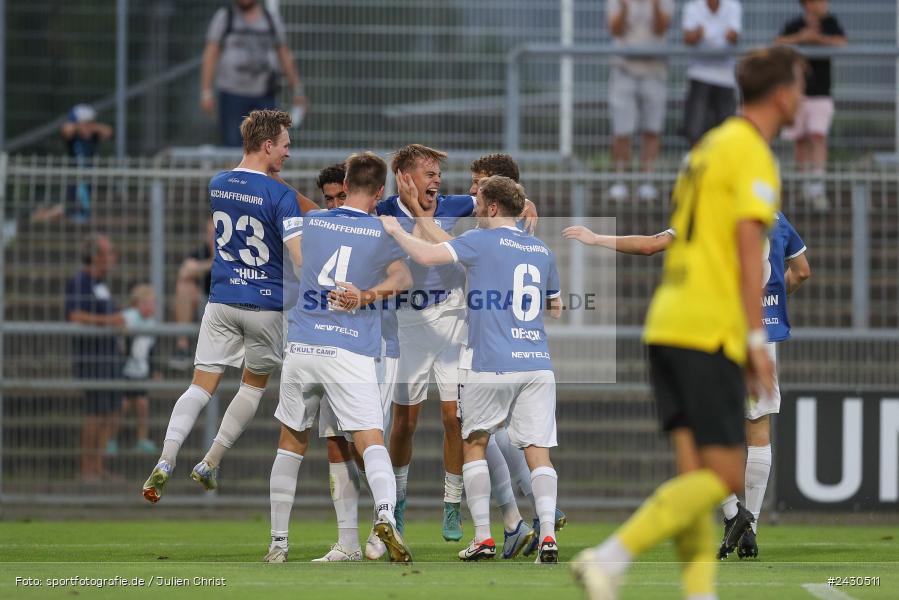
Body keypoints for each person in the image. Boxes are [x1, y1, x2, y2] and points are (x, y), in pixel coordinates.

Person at [572, 46, 806, 599]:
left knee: (695, 478)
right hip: (709, 327)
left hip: (668, 321)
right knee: (724, 477)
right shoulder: (752, 153)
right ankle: (610, 557)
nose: (804, 95)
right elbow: (750, 253)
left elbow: (684, 237)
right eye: (801, 84)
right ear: (782, 94)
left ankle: (699, 592)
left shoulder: (706, 150)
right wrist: (755, 338)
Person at [563, 213, 812, 559]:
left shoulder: (712, 208)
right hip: (762, 336)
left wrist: (597, 238)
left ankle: (733, 513)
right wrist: (772, 303)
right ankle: (750, 529)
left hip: (718, 333)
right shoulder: (774, 216)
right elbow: (801, 271)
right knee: (758, 430)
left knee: (695, 432)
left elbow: (651, 246)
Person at [381, 175, 563, 563]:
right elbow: (556, 307)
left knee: (474, 443)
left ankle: (483, 536)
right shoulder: (542, 249)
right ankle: (548, 534)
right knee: (538, 453)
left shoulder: (481, 240)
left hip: (491, 362)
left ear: (493, 207)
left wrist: (396, 229)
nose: (475, 209)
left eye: (479, 203)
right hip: (537, 365)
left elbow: (427, 256)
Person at [142, 109, 303, 503]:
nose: (288, 153)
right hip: (264, 305)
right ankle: (210, 461)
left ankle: (166, 458)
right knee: (252, 386)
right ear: (268, 145)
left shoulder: (218, 183)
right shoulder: (281, 195)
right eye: (284, 146)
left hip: (222, 301)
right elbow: (299, 258)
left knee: (200, 386)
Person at [267, 151, 413, 563]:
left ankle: (278, 543)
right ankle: (385, 516)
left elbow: (297, 231)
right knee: (370, 440)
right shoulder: (382, 231)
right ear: (380, 192)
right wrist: (365, 296)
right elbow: (403, 277)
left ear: (344, 186)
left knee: (290, 443)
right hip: (350, 349)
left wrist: (272, 174)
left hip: (303, 345)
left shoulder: (314, 222)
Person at [201, 0, 308, 147]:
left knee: (266, 147)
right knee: (232, 147)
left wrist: (297, 90)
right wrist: (206, 92)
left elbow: (285, 55)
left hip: (264, 96)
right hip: (231, 95)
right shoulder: (225, 17)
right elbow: (211, 54)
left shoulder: (270, 19)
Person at [65, 234, 125, 481]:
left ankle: (98, 466)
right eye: (109, 252)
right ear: (95, 256)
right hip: (92, 358)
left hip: (108, 357)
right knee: (95, 413)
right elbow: (75, 315)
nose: (113, 257)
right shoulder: (81, 281)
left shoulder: (100, 284)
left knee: (108, 413)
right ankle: (87, 469)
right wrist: (110, 321)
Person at [776, 0, 847, 209]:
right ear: (807, 4)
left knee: (818, 136)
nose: (824, 4)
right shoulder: (795, 24)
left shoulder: (830, 23)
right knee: (800, 140)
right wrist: (801, 38)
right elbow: (778, 43)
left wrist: (818, 39)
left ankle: (817, 188)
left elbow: (842, 42)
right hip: (797, 93)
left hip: (821, 93)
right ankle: (804, 186)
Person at [605, 0, 674, 202]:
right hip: (624, 69)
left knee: (652, 128)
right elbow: (615, 29)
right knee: (622, 130)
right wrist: (625, 7)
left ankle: (647, 181)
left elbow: (661, 28)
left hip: (654, 70)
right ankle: (620, 181)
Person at [29, 105, 113, 225]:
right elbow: (66, 130)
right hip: (76, 176)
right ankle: (45, 215)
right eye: (87, 123)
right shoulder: (74, 136)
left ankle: (47, 214)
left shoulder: (93, 135)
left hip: (88, 176)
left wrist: (91, 127)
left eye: (91, 122)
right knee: (75, 208)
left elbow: (108, 131)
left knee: (76, 208)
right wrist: (81, 126)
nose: (89, 126)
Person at [681, 0, 742, 146]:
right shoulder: (693, 7)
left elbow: (734, 36)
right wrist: (701, 35)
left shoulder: (733, 6)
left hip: (725, 77)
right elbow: (688, 38)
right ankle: (697, 159)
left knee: (727, 130)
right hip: (699, 74)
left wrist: (702, 34)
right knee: (695, 130)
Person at [170, 219, 215, 371]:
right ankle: (182, 347)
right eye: (210, 234)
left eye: (217, 233)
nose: (213, 238)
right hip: (206, 304)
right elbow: (185, 271)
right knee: (184, 286)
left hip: (232, 305)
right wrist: (214, 262)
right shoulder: (201, 252)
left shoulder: (238, 252)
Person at [121, 284, 160, 454]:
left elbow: (150, 350)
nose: (151, 307)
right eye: (146, 303)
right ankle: (111, 439)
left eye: (152, 303)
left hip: (141, 372)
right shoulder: (129, 317)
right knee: (123, 405)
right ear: (137, 304)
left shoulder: (151, 323)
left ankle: (142, 439)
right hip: (125, 370)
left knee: (143, 404)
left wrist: (154, 370)